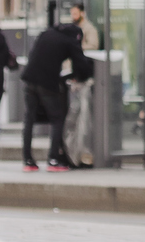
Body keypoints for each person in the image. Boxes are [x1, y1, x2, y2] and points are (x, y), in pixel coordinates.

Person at [20, 20, 94, 172]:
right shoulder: (71, 40)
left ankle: (28, 161)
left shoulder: (47, 33)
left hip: (29, 79)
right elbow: (81, 64)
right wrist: (81, 75)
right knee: (57, 118)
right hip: (47, 82)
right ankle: (53, 159)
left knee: (29, 119)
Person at [64, 0, 98, 166]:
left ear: (82, 13)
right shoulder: (71, 30)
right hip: (71, 78)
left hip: (83, 79)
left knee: (82, 118)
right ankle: (72, 152)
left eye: (75, 13)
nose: (73, 16)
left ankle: (82, 153)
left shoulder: (89, 29)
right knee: (72, 119)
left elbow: (93, 47)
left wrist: (78, 49)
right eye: (72, 13)